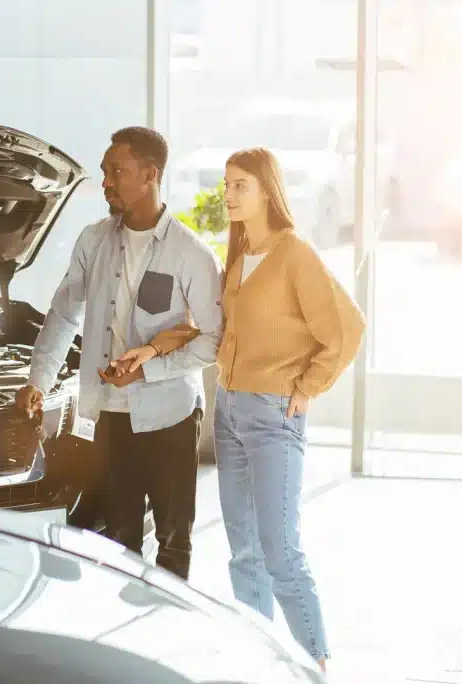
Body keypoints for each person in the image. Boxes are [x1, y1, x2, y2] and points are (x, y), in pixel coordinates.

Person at [109, 147, 365, 670]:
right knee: (243, 552)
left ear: (268, 190)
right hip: (229, 413)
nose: (227, 195)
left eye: (240, 186)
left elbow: (347, 328)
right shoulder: (237, 255)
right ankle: (260, 664)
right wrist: (153, 348)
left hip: (273, 416)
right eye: (226, 185)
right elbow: (210, 326)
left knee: (280, 551)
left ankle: (315, 663)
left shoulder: (295, 254)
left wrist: (309, 386)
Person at [15, 126, 223, 580]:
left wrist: (148, 373)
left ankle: (166, 633)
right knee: (118, 539)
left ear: (150, 175)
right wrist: (38, 380)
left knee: (173, 539)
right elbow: (63, 314)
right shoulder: (93, 241)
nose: (106, 181)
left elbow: (213, 340)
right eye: (106, 171)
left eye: (117, 171)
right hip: (111, 416)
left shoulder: (192, 254)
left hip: (170, 415)